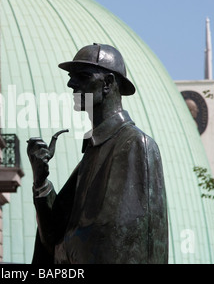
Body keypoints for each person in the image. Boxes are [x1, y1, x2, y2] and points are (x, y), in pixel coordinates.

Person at [27, 44, 168, 264]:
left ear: (108, 84)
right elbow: (54, 233)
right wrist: (41, 182)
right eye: (71, 76)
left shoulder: (133, 145)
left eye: (82, 76)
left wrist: (61, 252)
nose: (71, 83)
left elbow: (114, 237)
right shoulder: (95, 151)